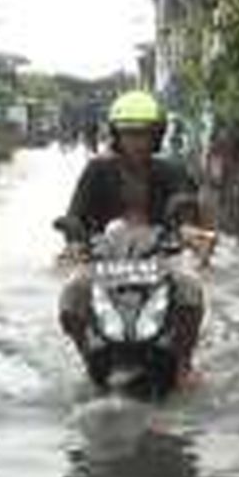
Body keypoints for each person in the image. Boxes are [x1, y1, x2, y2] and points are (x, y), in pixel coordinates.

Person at [58, 91, 207, 382]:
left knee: (190, 289)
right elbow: (75, 213)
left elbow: (185, 203)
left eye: (144, 134)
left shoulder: (171, 169)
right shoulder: (96, 170)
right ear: (116, 135)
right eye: (129, 134)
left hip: (159, 257)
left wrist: (188, 229)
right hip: (106, 258)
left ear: (156, 136)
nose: (137, 141)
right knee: (71, 297)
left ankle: (184, 363)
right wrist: (74, 242)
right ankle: (88, 355)